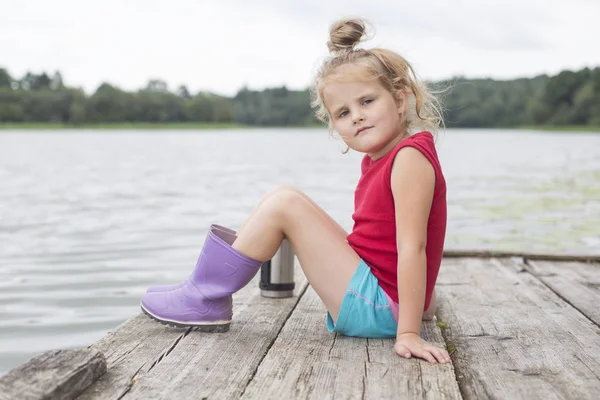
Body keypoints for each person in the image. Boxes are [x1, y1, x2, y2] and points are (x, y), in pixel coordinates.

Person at [141, 18, 450, 365]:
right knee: (283, 195)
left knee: (284, 205)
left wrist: (407, 331)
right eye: (344, 112)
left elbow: (414, 247)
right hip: (386, 297)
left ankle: (205, 296)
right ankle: (203, 290)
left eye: (367, 101)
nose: (358, 117)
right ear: (334, 125)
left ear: (399, 99)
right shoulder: (389, 156)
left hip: (383, 310)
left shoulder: (408, 159)